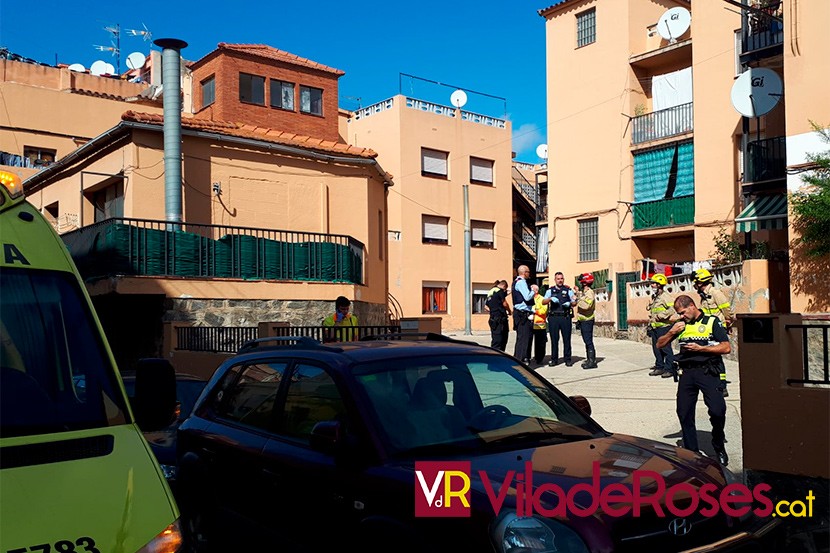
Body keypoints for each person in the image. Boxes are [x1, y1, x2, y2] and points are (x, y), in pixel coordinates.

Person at [656, 294, 730, 466]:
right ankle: (692, 452)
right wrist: (671, 332)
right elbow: (660, 344)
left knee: (718, 410)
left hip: (708, 371)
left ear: (691, 306)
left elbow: (726, 347)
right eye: (679, 314)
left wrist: (702, 348)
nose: (681, 316)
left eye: (682, 312)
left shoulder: (711, 322)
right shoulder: (680, 325)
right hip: (687, 373)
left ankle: (718, 445)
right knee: (684, 412)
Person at [693, 268, 735, 397]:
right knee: (710, 356)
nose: (695, 285)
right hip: (708, 329)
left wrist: (728, 322)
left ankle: (722, 385)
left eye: (696, 283)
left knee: (717, 357)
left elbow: (726, 309)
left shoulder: (716, 293)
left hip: (718, 328)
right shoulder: (704, 296)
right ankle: (712, 380)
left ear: (702, 282)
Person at [542, 271, 575, 367]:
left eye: (561, 278)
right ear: (555, 280)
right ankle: (554, 359)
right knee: (554, 340)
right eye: (558, 279)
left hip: (565, 317)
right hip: (554, 318)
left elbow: (574, 302)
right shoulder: (550, 291)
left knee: (567, 339)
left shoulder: (568, 290)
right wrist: (550, 299)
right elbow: (543, 301)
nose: (560, 280)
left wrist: (570, 302)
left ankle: (568, 359)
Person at [647, 274, 677, 378]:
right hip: (655, 327)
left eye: (654, 284)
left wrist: (661, 315)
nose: (652, 285)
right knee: (656, 348)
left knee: (666, 349)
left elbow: (672, 309)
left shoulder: (665, 296)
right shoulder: (655, 297)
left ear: (660, 285)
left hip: (663, 327)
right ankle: (659, 366)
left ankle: (670, 369)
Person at [512, 265, 538, 364]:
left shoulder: (516, 282)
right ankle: (520, 360)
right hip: (522, 314)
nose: (529, 274)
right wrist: (534, 290)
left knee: (522, 337)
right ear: (524, 272)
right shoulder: (521, 282)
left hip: (520, 313)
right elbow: (527, 297)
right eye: (528, 272)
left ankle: (519, 358)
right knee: (523, 338)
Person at [575, 273, 597, 369]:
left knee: (588, 341)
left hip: (587, 320)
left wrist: (577, 299)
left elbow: (586, 306)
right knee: (586, 341)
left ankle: (592, 362)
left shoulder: (589, 293)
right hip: (583, 320)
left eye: (581, 282)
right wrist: (578, 294)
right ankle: (589, 359)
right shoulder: (585, 292)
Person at [526, 279, 549, 365]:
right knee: (528, 342)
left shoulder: (542, 299)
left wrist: (535, 310)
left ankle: (539, 359)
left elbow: (543, 311)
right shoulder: (528, 298)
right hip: (530, 324)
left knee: (540, 344)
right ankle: (527, 357)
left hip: (539, 325)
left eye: (531, 289)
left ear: (536, 290)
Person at [485, 280, 511, 351]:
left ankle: (494, 355)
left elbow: (486, 307)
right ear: (504, 286)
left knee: (495, 340)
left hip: (493, 319)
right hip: (500, 319)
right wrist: (509, 311)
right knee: (502, 340)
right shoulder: (500, 291)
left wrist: (493, 310)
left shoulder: (491, 292)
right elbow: (504, 303)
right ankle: (499, 356)